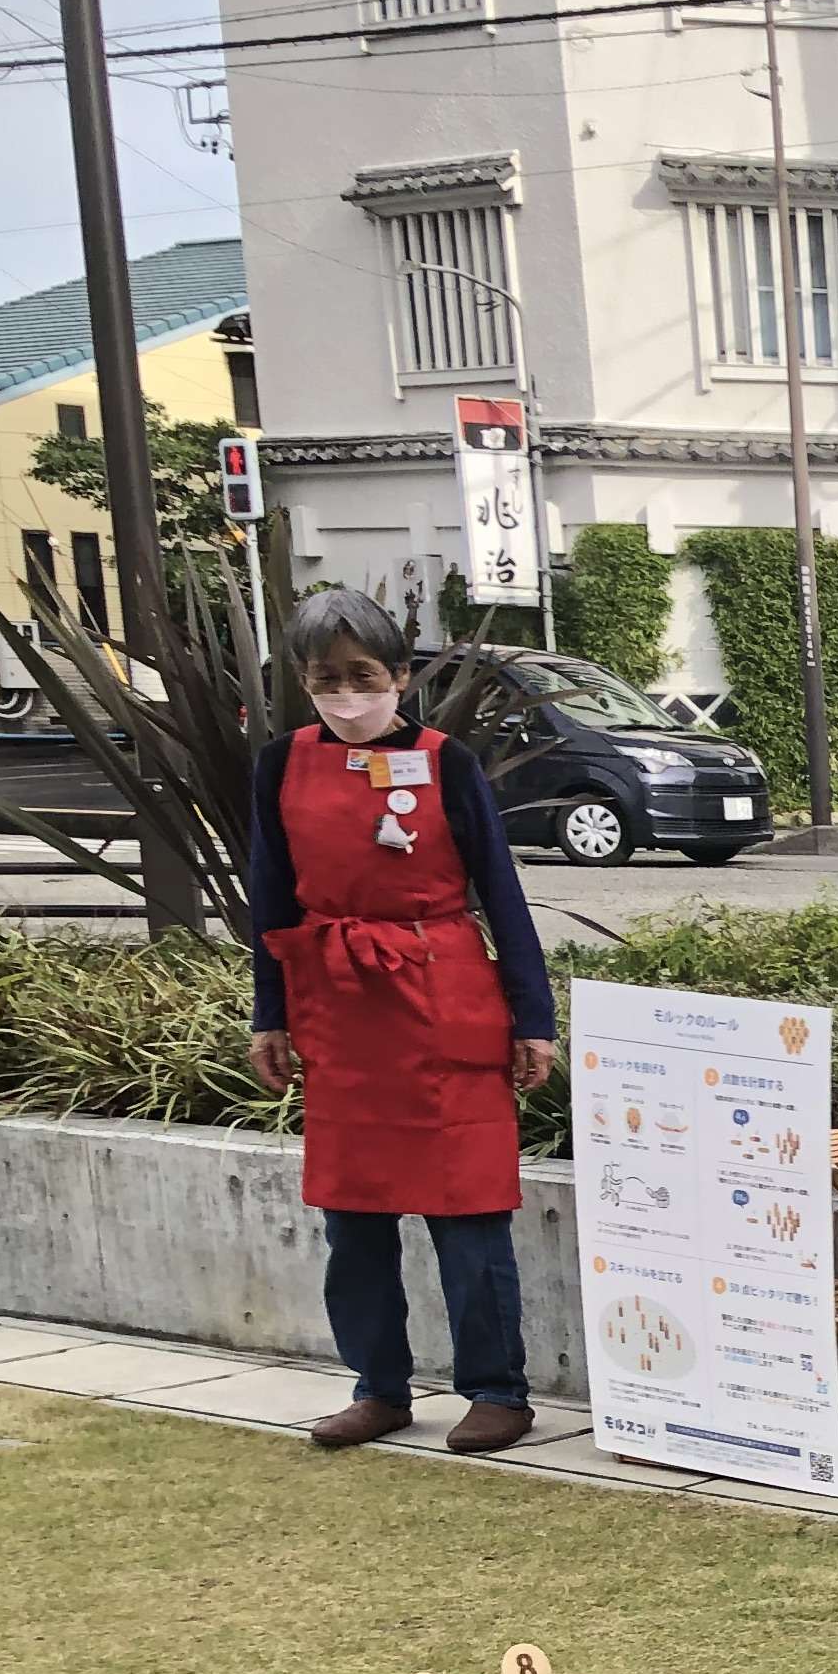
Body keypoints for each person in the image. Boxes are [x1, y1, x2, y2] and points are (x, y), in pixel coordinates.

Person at [246, 588, 557, 1455]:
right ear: (302, 682)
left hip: (442, 992)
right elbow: (268, 892)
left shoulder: (444, 760)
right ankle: (377, 1387)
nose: (347, 693)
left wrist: (532, 1017)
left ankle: (498, 1389)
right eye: (326, 678)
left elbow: (501, 887)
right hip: (338, 1010)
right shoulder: (280, 763)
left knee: (467, 1209)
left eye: (364, 675)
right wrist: (270, 1013)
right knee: (353, 1218)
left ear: (402, 676)